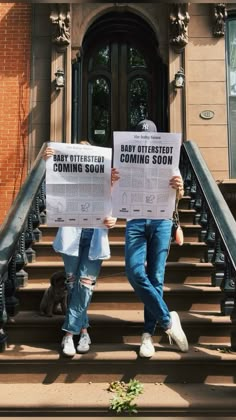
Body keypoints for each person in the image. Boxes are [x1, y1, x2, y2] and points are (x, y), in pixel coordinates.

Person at [44, 141, 118, 357]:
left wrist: (113, 219)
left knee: (85, 286)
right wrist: (48, 162)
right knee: (73, 284)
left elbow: (116, 206)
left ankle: (68, 333)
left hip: (95, 236)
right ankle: (84, 330)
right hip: (71, 236)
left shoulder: (107, 180)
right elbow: (52, 192)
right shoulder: (65, 181)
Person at [123, 119, 188, 357]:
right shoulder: (126, 161)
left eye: (149, 136)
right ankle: (168, 320)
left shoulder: (168, 159)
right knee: (134, 272)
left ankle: (147, 335)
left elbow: (178, 196)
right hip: (135, 221)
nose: (146, 140)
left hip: (161, 221)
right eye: (142, 136)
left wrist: (179, 188)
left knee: (156, 277)